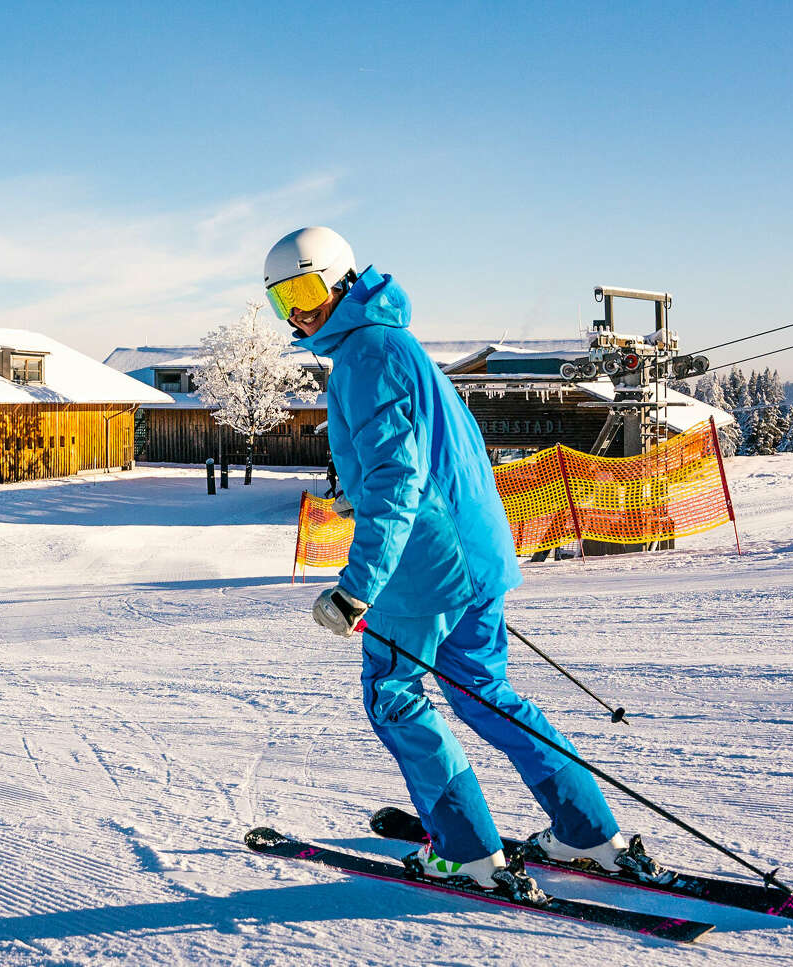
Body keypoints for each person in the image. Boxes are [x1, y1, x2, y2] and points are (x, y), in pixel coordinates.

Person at [266, 226, 668, 900]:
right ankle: (587, 830)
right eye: (284, 302)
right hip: (476, 551)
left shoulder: (366, 357)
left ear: (342, 280)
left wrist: (356, 587)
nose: (300, 314)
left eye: (307, 291)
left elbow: (397, 480)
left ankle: (466, 850)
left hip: (425, 565)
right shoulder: (398, 345)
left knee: (392, 697)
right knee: (484, 692)